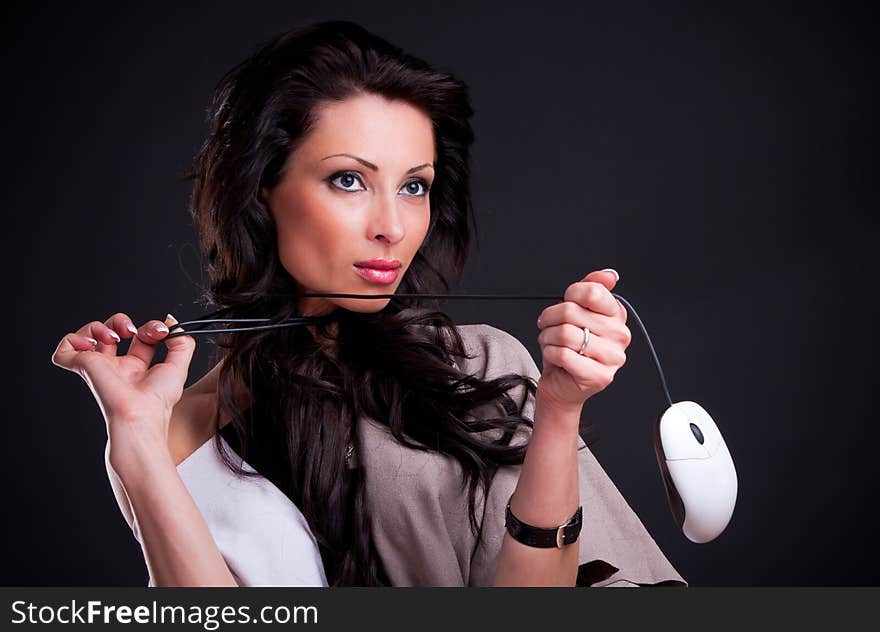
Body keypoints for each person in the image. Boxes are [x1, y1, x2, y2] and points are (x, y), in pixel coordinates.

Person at [51, 20, 686, 587]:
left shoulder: (478, 366)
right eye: (349, 179)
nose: (393, 226)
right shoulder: (167, 435)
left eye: (415, 186)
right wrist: (132, 437)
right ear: (261, 187)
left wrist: (558, 409)